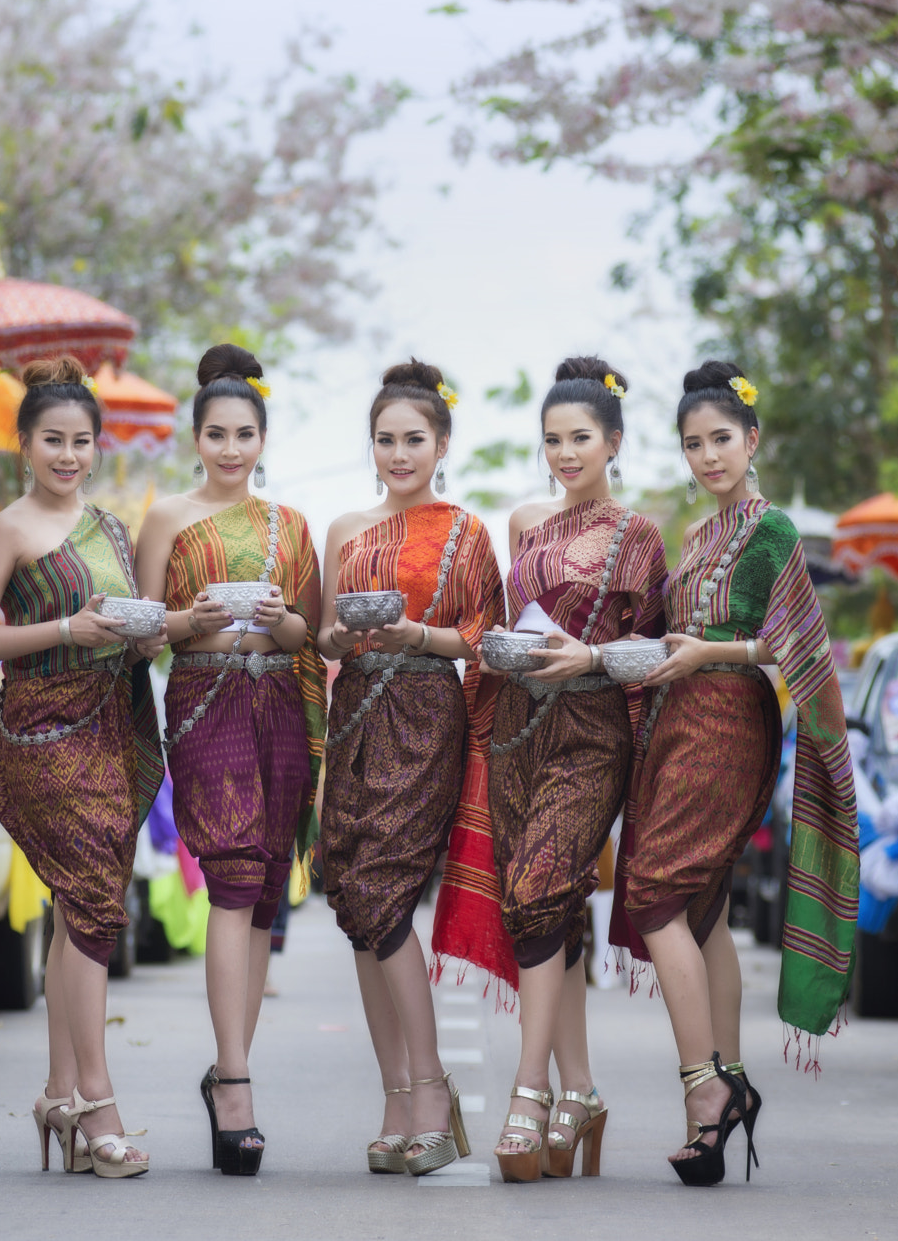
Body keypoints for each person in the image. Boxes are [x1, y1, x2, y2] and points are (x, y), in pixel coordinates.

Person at [613, 361, 860, 1186]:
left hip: (731, 720)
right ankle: (721, 1095)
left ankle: (705, 1086)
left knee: (651, 894)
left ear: (752, 440)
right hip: (682, 722)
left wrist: (708, 651)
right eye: (693, 443)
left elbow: (795, 643)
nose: (708, 455)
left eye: (721, 438)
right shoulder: (695, 538)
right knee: (703, 907)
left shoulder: (773, 530)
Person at [433, 355, 668, 1184]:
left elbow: (655, 651)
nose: (564, 453)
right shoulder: (528, 521)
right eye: (552, 439)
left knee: (537, 887)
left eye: (580, 438)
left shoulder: (640, 536)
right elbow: (507, 622)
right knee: (549, 911)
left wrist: (594, 654)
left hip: (594, 731)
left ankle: (529, 1093)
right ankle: (583, 1095)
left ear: (613, 441)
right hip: (517, 729)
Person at [0, 357, 164, 1179]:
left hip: (111, 725)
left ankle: (56, 1093)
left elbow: (130, 623)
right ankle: (99, 1102)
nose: (68, 455)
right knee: (97, 909)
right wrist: (64, 631)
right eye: (53, 441)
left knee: (80, 909)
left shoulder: (110, 527)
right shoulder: (10, 528)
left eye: (81, 441)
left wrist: (159, 629)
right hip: (41, 733)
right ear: (25, 445)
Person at [134, 344, 324, 1178]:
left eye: (245, 433)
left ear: (263, 436)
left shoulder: (292, 525)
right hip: (204, 700)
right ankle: (237, 1081)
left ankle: (228, 1069)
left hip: (278, 702)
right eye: (217, 433)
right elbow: (143, 632)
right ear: (196, 436)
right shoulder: (167, 518)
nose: (231, 449)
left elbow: (308, 637)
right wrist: (191, 616)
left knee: (263, 884)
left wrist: (280, 615)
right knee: (233, 878)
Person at [318, 360, 504, 1178]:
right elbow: (326, 631)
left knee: (387, 892)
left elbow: (486, 634)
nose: (399, 454)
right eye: (386, 439)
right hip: (354, 712)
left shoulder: (466, 531)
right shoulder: (346, 530)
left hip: (429, 714)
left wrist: (418, 639)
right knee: (359, 904)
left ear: (443, 443)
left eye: (414, 439)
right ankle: (396, 1098)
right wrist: (328, 638)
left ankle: (432, 1091)